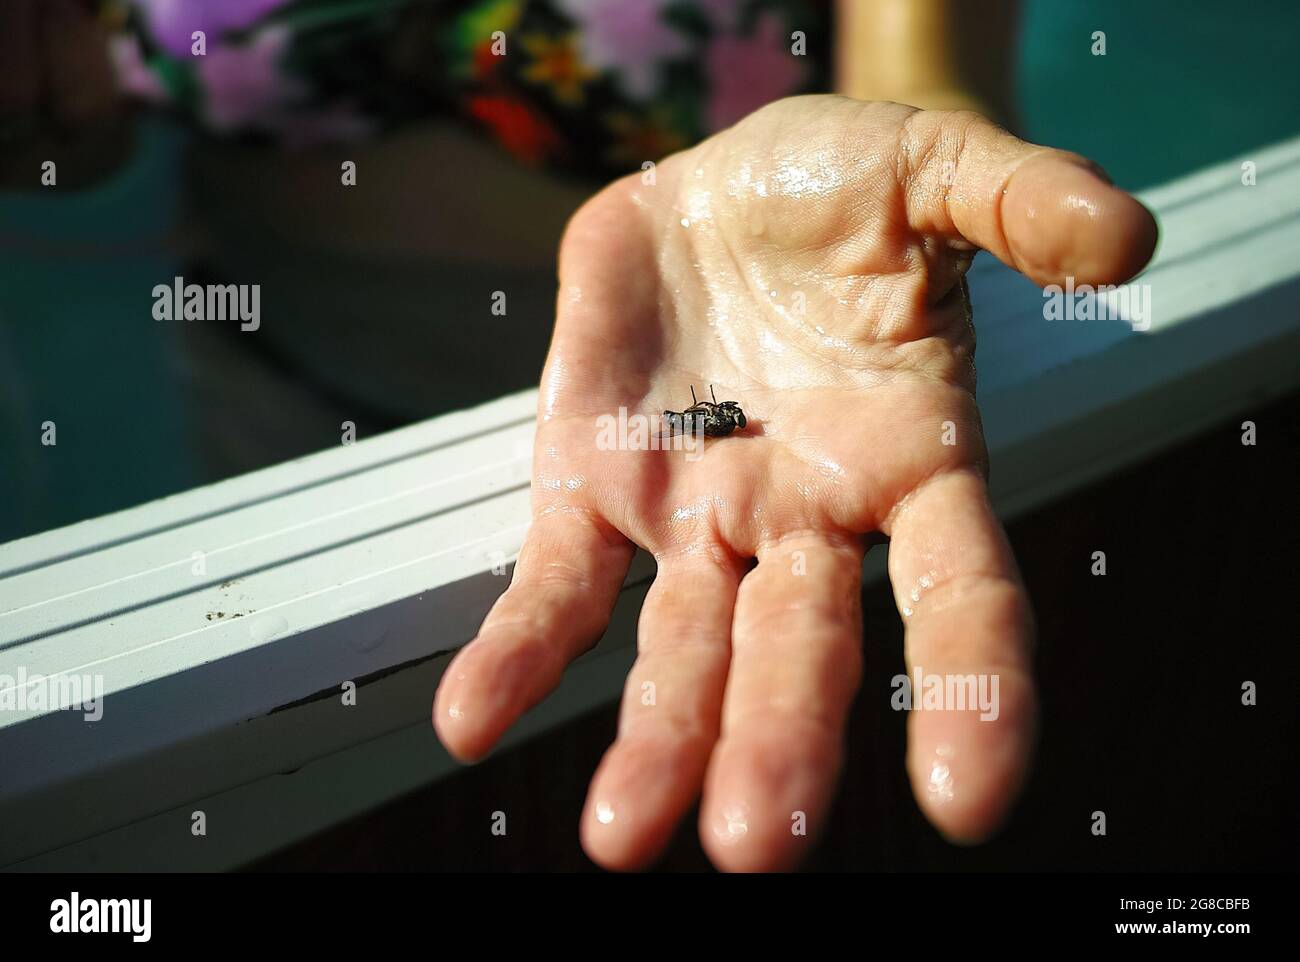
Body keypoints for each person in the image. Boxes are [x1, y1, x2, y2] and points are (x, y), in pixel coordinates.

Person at [2, 2, 1157, 871]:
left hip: (693, 382)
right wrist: (56, 131)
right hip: (266, 373)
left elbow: (923, 84)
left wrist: (907, 162)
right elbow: (84, 139)